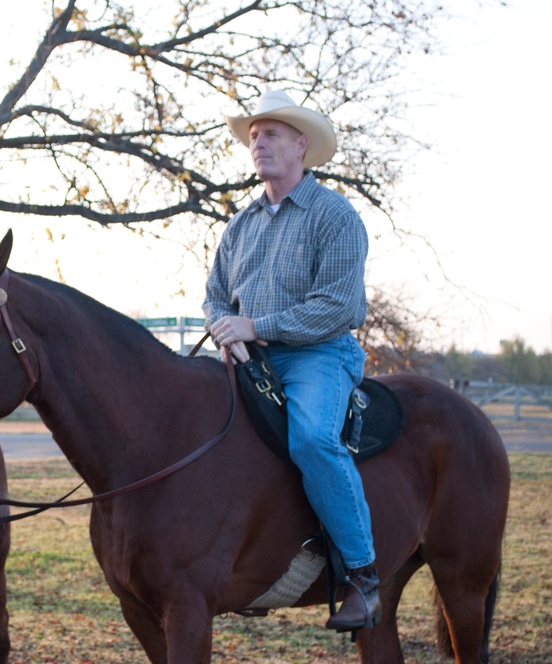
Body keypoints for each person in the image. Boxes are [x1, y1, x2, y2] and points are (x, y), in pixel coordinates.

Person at [203, 90, 380, 631]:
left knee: (311, 439)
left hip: (318, 354)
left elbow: (339, 305)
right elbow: (213, 295)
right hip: (248, 356)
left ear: (301, 145)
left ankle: (363, 575)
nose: (259, 143)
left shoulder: (335, 215)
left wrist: (258, 325)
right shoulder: (241, 225)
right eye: (254, 136)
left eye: (272, 134)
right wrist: (224, 329)